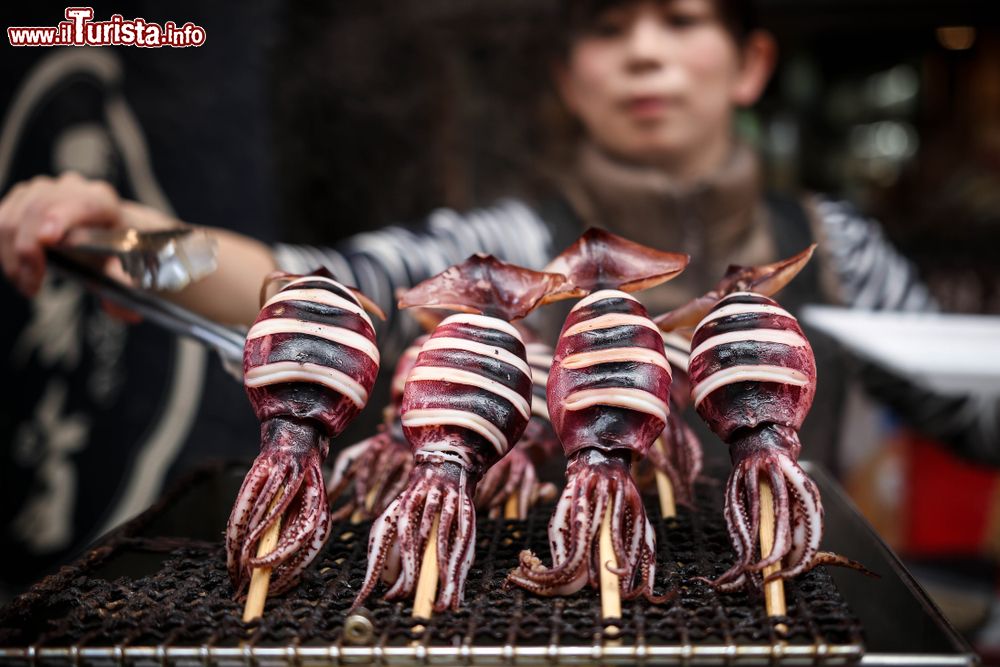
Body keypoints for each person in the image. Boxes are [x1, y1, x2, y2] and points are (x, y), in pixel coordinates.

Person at [0, 0, 994, 585]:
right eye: (609, 29)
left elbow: (970, 403)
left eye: (682, 20)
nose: (645, 51)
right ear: (568, 77)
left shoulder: (837, 245)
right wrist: (123, 239)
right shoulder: (512, 246)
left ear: (750, 64)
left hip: (773, 611)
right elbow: (312, 290)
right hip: (537, 605)